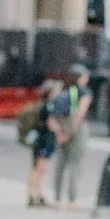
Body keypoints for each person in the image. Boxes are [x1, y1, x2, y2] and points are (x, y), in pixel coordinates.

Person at [52, 67, 93, 205]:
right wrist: (70, 132)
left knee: (60, 164)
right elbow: (79, 113)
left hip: (60, 126)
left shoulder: (63, 91)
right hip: (76, 129)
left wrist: (60, 132)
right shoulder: (83, 92)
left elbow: (53, 114)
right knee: (75, 164)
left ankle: (57, 197)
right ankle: (72, 198)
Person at [25, 76, 62, 207]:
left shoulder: (42, 105)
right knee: (40, 169)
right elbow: (51, 124)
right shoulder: (49, 107)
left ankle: (36, 194)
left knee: (37, 168)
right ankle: (35, 195)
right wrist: (61, 132)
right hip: (45, 140)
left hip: (39, 140)